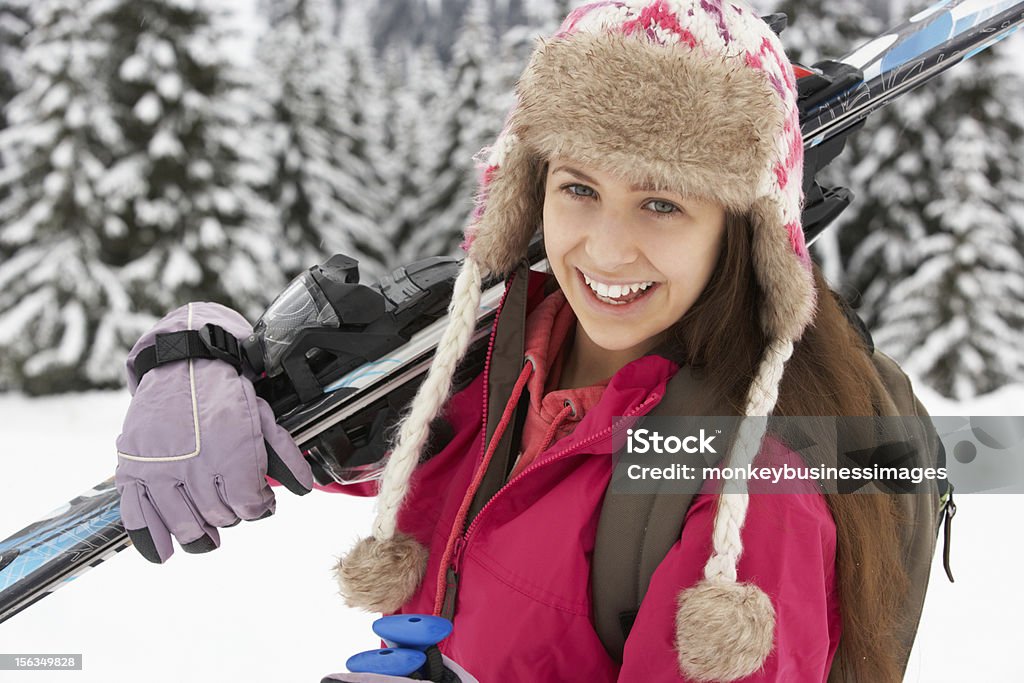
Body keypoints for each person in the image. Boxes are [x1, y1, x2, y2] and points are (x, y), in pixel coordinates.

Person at [116, 1, 924, 681]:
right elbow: (316, 424)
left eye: (664, 204)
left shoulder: (752, 491)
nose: (604, 251)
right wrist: (197, 355)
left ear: (739, 233)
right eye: (579, 188)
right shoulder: (488, 355)